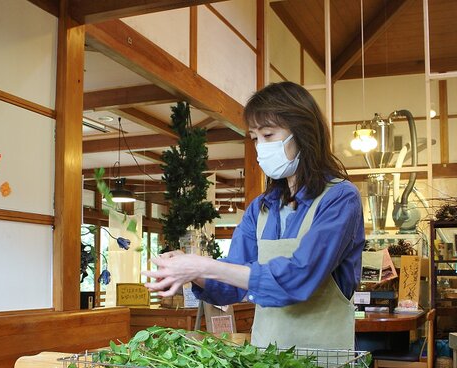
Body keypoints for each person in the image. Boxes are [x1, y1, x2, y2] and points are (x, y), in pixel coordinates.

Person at [143, 81, 365, 350]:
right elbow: (232, 284)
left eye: (268, 135)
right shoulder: (261, 208)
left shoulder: (340, 199)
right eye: (254, 138)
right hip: (266, 363)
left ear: (303, 133)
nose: (260, 147)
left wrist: (203, 266)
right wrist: (191, 271)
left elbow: (299, 278)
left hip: (323, 367)